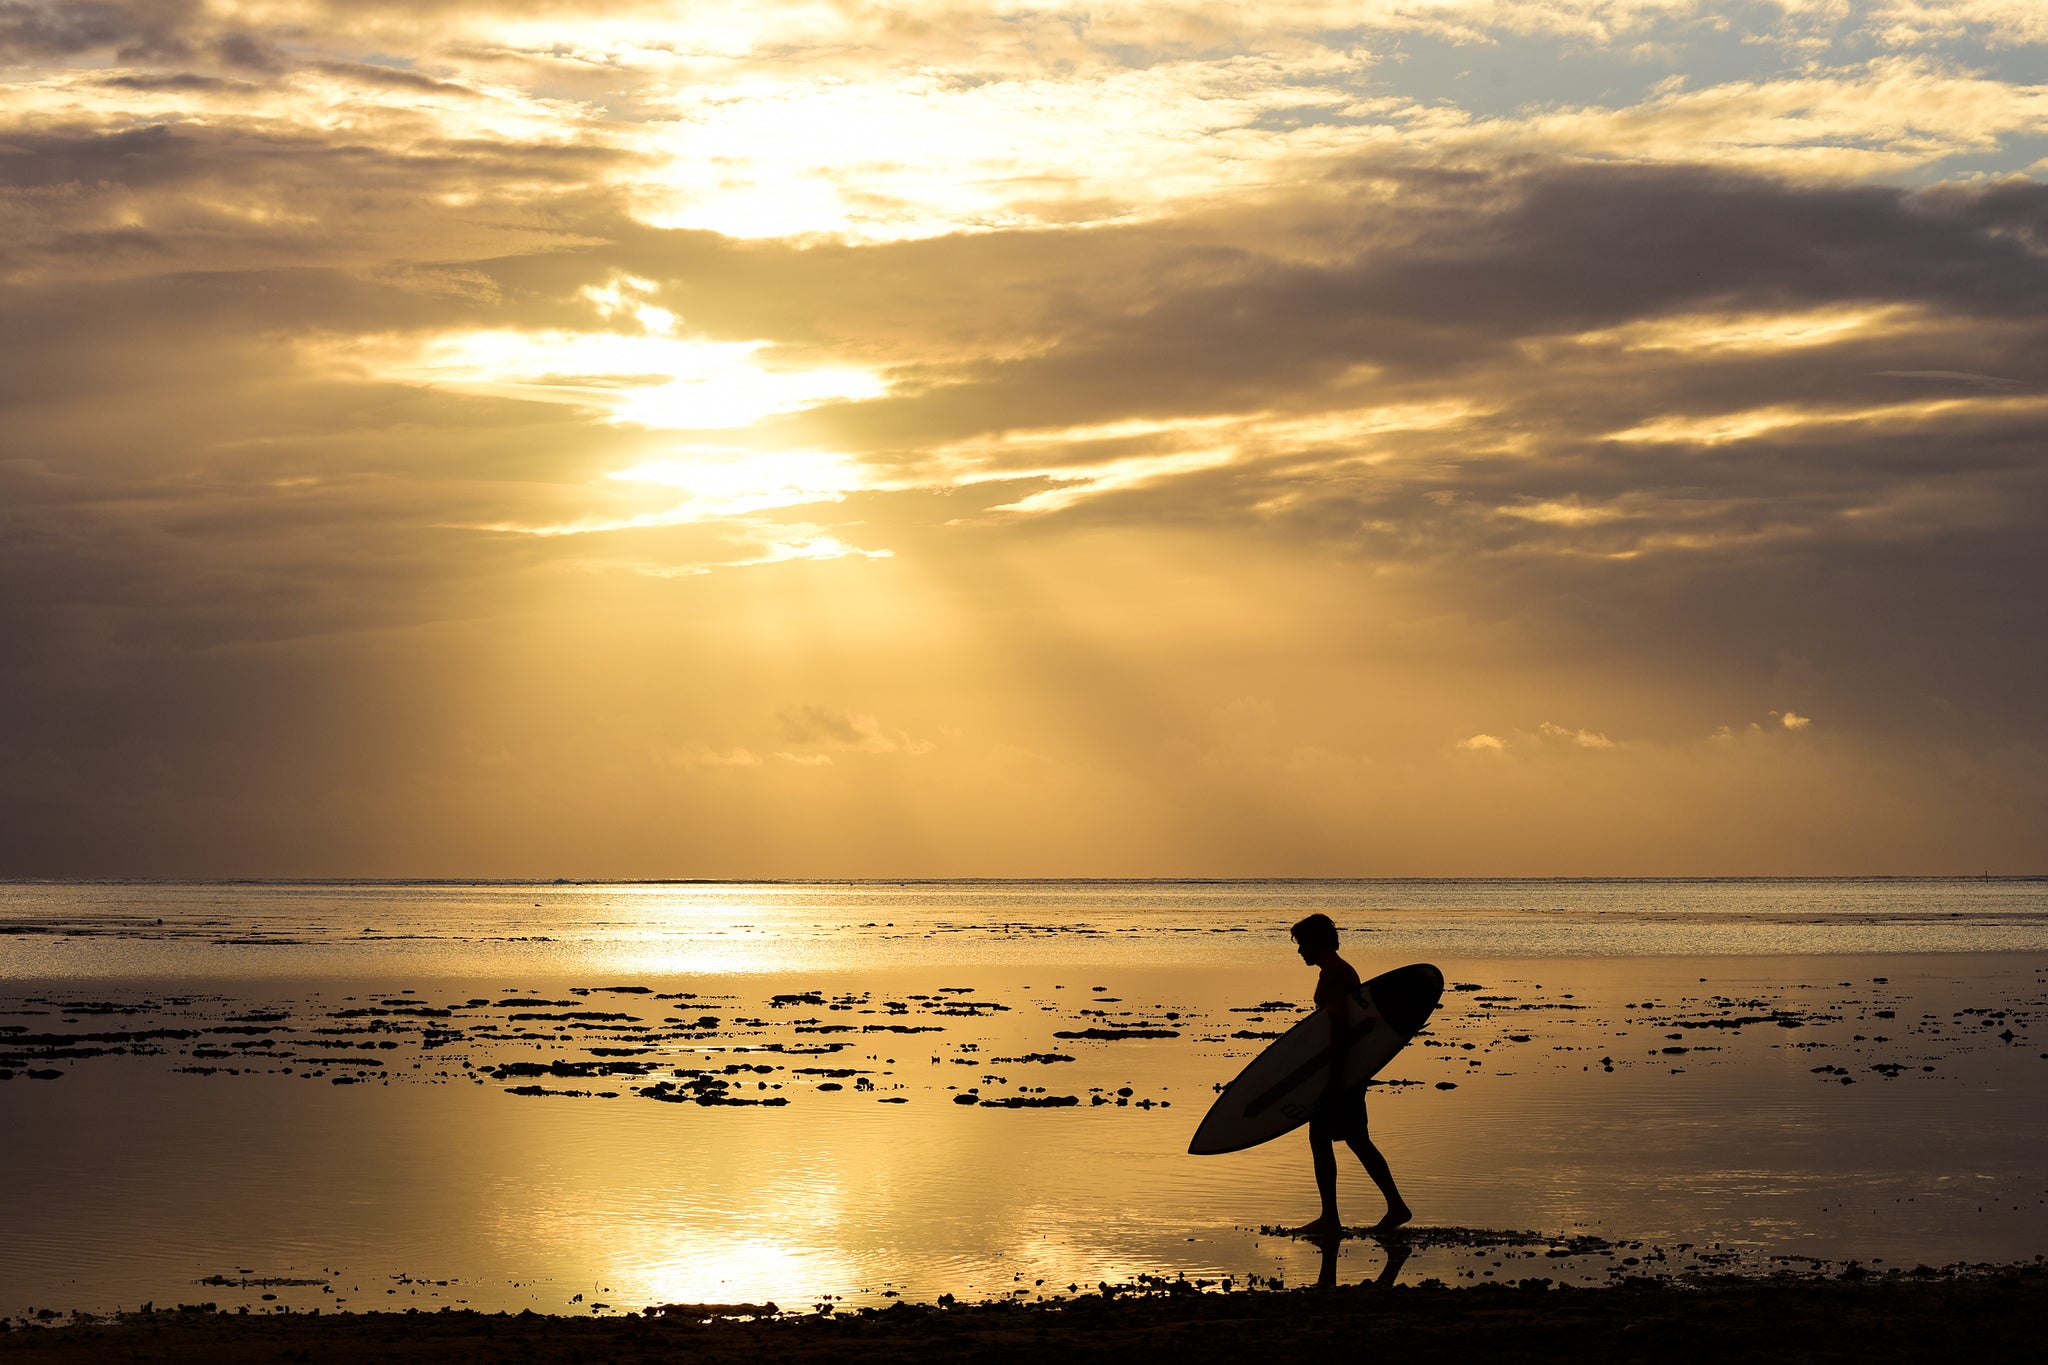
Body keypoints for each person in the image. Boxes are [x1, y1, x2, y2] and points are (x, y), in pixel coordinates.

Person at [1289, 912, 1411, 1237]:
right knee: (1356, 1138)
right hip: (1351, 1071)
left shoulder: (1333, 974)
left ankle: (1331, 1217)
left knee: (1323, 1138)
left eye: (1303, 944)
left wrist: (1332, 1081)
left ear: (1317, 943)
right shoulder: (1341, 969)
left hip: (1342, 1073)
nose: (1300, 951)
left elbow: (1341, 1030)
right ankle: (1394, 1206)